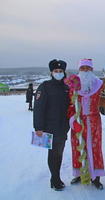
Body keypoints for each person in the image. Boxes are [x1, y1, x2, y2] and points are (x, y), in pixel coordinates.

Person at [68, 58, 105, 189]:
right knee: (78, 147)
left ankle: (96, 177)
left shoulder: (99, 85)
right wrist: (72, 119)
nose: (85, 71)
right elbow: (69, 105)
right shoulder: (72, 85)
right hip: (78, 122)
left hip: (94, 122)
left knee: (94, 148)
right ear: (79, 70)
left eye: (87, 68)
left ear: (92, 70)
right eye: (82, 68)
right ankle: (79, 174)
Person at [33, 59, 70, 191]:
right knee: (53, 154)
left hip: (63, 128)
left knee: (59, 154)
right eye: (56, 71)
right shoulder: (45, 86)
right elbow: (38, 108)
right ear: (51, 72)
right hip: (49, 127)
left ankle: (55, 178)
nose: (58, 73)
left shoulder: (67, 88)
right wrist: (38, 127)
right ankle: (55, 179)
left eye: (61, 71)